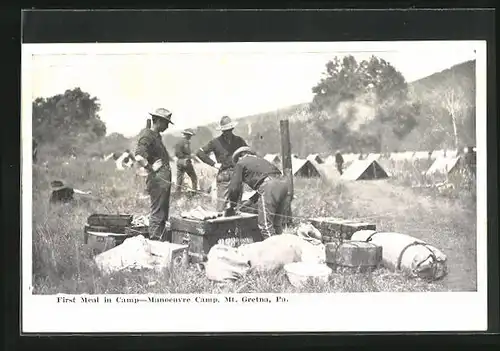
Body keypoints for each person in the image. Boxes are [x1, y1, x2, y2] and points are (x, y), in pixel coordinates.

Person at [225, 146, 290, 240]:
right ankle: (284, 248)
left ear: (240, 156)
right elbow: (268, 181)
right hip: (284, 184)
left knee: (265, 226)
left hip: (270, 186)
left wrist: (232, 205)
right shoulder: (262, 161)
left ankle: (275, 251)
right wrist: (252, 200)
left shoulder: (241, 163)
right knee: (276, 224)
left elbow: (235, 187)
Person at [134, 108, 174, 241]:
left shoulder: (155, 136)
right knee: (157, 214)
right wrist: (150, 168)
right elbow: (139, 156)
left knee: (163, 214)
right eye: (166, 123)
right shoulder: (148, 135)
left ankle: (160, 241)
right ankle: (156, 243)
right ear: (158, 121)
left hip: (162, 182)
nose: (167, 126)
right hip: (157, 181)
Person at [196, 116, 248, 211]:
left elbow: (247, 152)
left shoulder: (239, 140)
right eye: (225, 131)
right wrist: (213, 164)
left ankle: (235, 224)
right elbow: (199, 152)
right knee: (221, 206)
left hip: (238, 173)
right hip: (224, 174)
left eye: (229, 130)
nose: (227, 132)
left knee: (237, 206)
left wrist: (243, 161)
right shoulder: (215, 142)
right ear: (222, 131)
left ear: (232, 129)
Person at [174, 128, 198, 196]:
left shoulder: (178, 141)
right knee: (194, 177)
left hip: (179, 161)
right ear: (187, 135)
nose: (191, 137)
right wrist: (191, 155)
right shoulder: (186, 142)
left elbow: (176, 153)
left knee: (179, 179)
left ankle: (177, 194)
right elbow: (187, 152)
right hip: (185, 161)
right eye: (190, 135)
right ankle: (194, 192)